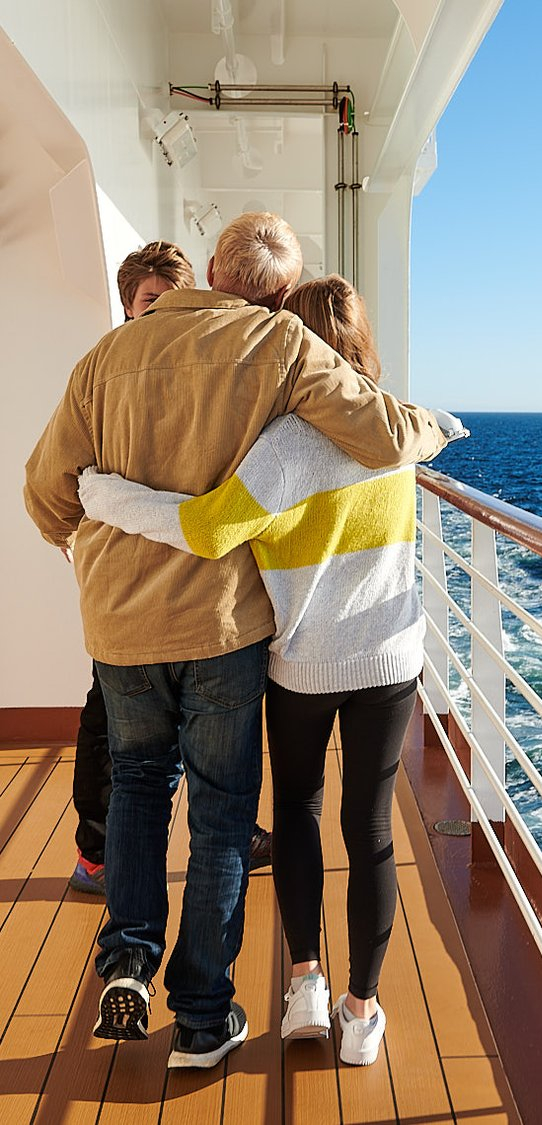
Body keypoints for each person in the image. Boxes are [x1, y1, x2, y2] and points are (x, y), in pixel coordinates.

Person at [24, 214, 446, 1071]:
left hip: (121, 620)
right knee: (222, 813)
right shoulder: (280, 349)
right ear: (282, 293)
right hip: (225, 625)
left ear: (211, 265)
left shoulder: (109, 354)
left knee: (139, 787)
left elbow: (46, 491)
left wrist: (86, 523)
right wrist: (438, 426)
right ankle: (205, 1017)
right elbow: (382, 433)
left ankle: (129, 959)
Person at [68, 241, 271, 897]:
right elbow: (59, 478)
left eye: (175, 303)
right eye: (152, 303)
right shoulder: (104, 376)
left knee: (176, 746)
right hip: (130, 593)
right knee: (119, 737)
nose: (165, 316)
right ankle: (96, 851)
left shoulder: (210, 375)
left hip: (197, 594)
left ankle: (216, 844)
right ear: (128, 309)